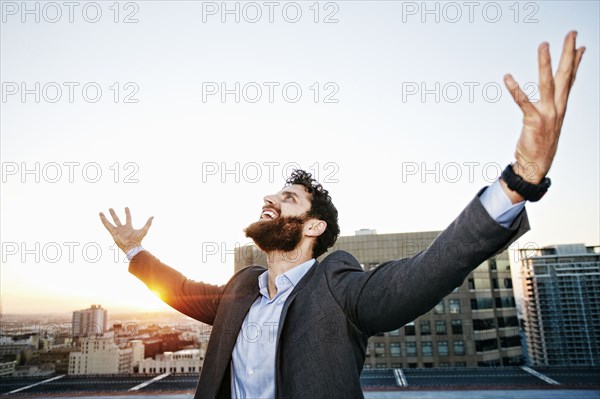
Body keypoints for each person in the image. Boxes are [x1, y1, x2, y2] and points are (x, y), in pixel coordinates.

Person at [100, 32, 585, 399]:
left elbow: (431, 270)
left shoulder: (340, 288)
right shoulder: (240, 288)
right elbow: (179, 289)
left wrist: (519, 180)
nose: (270, 199)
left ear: (314, 227)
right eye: (273, 193)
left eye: (287, 198)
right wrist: (134, 251)